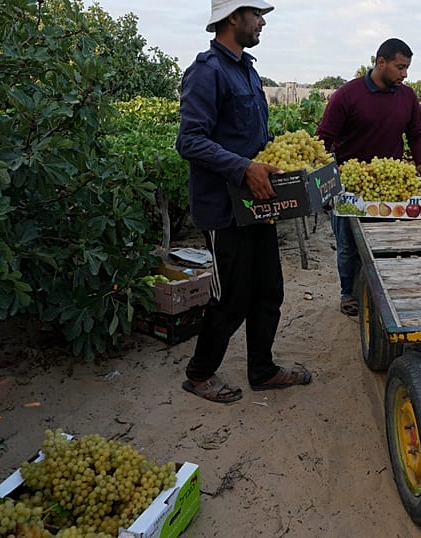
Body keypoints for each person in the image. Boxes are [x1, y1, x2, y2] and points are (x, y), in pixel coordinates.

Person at [175, 0, 311, 403]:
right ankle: (200, 374)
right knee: (231, 298)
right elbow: (190, 141)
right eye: (257, 14)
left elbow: (251, 139)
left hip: (258, 204)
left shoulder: (247, 71)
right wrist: (243, 167)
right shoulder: (206, 72)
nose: (263, 21)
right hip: (223, 208)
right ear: (234, 17)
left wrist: (277, 160)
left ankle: (262, 370)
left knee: (268, 290)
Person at [315, 38, 421, 316]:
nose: (405, 74)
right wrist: (322, 182)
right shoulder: (347, 95)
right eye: (400, 67)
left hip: (390, 187)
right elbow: (325, 139)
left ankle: (384, 292)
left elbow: (416, 133)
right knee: (349, 245)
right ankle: (349, 294)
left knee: (389, 242)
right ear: (381, 63)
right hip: (351, 185)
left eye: (407, 68)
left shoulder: (408, 97)